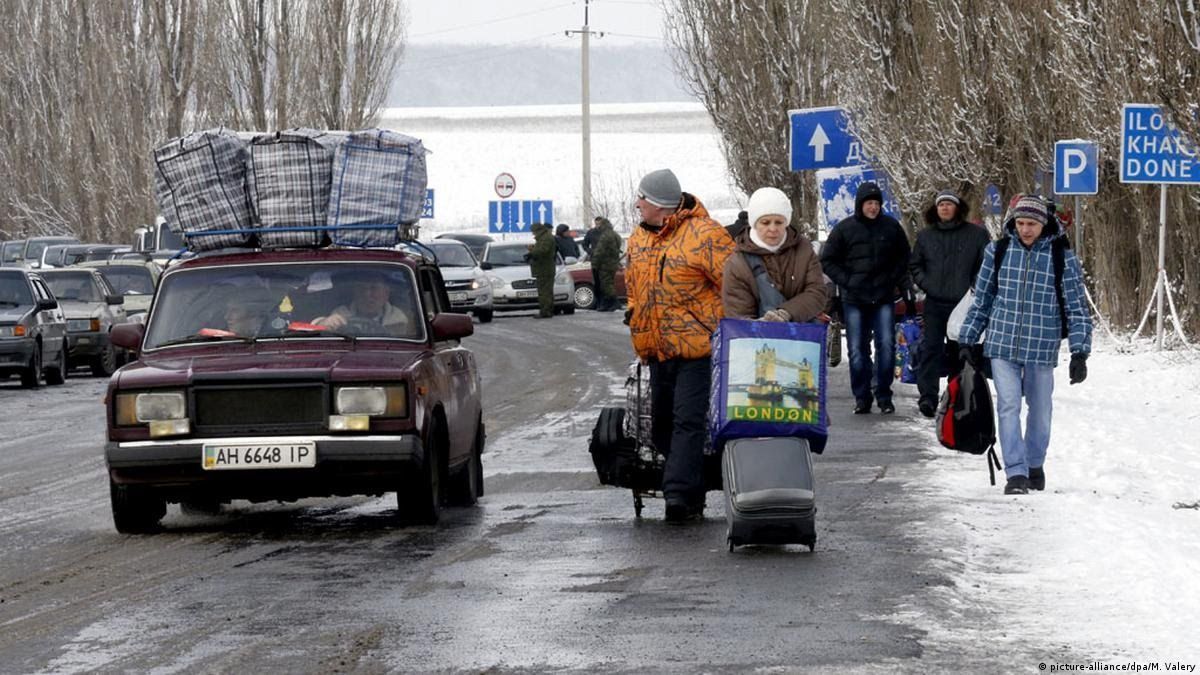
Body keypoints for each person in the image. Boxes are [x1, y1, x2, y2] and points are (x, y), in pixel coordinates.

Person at [958, 195, 1092, 495]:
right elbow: (983, 299)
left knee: (1041, 410)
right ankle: (1015, 472)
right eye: (1020, 223)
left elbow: (1076, 307)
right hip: (1002, 343)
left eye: (1031, 224)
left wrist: (1080, 352)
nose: (1025, 230)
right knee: (1008, 406)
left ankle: (1034, 465)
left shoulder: (1061, 257)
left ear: (1043, 223)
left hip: (1042, 345)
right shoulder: (998, 251)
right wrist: (967, 339)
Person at [626, 168, 736, 522]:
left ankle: (678, 497)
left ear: (658, 204)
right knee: (660, 426)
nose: (637, 205)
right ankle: (694, 484)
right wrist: (634, 314)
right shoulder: (638, 240)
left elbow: (735, 283)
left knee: (688, 422)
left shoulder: (706, 235)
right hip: (658, 350)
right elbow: (634, 286)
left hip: (698, 349)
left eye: (641, 199)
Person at [819, 181, 911, 415]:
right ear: (860, 205)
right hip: (854, 299)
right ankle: (862, 396)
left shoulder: (891, 227)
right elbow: (828, 260)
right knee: (858, 351)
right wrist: (847, 280)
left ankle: (883, 394)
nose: (873, 207)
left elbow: (904, 258)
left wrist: (892, 280)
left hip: (883, 297)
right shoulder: (844, 229)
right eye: (869, 203)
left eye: (876, 203)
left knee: (887, 347)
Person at [908, 189, 991, 418]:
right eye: (941, 204)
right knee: (931, 349)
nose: (945, 208)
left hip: (964, 304)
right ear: (935, 209)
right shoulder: (926, 236)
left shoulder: (976, 235)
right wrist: (928, 284)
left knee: (960, 352)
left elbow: (986, 266)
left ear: (958, 208)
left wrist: (973, 289)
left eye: (949, 204)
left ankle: (956, 396)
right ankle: (928, 397)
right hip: (935, 303)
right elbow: (915, 265)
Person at [722, 187, 827, 324]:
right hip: (759, 342)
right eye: (765, 222)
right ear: (754, 223)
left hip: (804, 336)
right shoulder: (737, 263)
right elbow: (738, 315)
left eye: (779, 222)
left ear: (786, 222)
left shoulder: (804, 249)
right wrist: (762, 326)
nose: (773, 229)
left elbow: (817, 293)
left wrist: (786, 312)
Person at [312, 271, 414, 336]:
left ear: (386, 293)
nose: (367, 294)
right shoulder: (340, 313)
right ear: (354, 293)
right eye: (361, 288)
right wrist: (322, 324)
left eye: (374, 288)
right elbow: (315, 335)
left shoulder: (402, 320)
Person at [589, 216, 623, 312]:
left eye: (600, 225)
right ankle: (608, 304)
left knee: (606, 285)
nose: (598, 226)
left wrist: (595, 264)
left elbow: (599, 251)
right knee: (609, 283)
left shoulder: (605, 236)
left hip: (605, 264)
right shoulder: (615, 234)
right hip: (613, 263)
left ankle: (615, 303)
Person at [527, 222, 557, 318]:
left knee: (544, 291)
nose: (533, 234)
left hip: (545, 268)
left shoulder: (546, 238)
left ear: (537, 230)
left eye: (533, 232)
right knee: (545, 291)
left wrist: (532, 250)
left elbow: (543, 251)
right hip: (544, 268)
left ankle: (546, 311)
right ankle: (547, 310)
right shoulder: (544, 237)